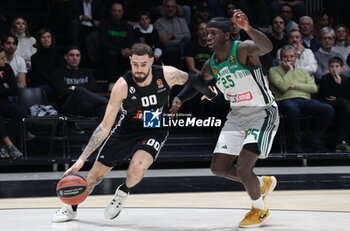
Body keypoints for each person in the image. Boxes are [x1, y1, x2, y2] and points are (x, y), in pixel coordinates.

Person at [51, 43, 217, 223]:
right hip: (126, 127)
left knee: (136, 168)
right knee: (93, 176)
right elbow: (105, 126)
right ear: (130, 60)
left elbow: (196, 80)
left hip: (154, 125)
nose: (139, 69)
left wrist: (209, 93)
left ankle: (123, 193)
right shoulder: (122, 85)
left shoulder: (167, 74)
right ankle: (71, 208)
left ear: (152, 61)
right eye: (135, 64)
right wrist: (82, 159)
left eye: (144, 64)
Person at [172, 11, 279, 228]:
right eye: (206, 33)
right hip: (237, 116)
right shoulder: (211, 64)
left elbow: (267, 47)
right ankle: (261, 183)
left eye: (213, 33)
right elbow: (198, 82)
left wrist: (248, 28)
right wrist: (179, 99)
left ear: (227, 35)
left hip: (261, 113)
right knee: (218, 168)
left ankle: (260, 210)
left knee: (243, 167)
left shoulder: (242, 49)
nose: (208, 37)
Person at [269, 45, 334, 153]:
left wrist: (295, 85)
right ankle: (296, 143)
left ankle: (314, 140)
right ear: (280, 58)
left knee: (328, 109)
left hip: (305, 100)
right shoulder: (273, 71)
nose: (289, 59)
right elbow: (283, 87)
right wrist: (290, 71)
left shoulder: (302, 71)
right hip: (285, 100)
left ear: (296, 58)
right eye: (285, 57)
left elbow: (313, 88)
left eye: (291, 56)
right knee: (292, 109)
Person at [52, 45, 108, 122]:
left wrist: (75, 88)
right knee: (78, 90)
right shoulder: (59, 72)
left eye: (77, 55)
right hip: (69, 106)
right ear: (65, 57)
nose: (75, 58)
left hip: (87, 105)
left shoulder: (86, 72)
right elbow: (61, 90)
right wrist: (78, 90)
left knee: (103, 108)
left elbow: (94, 87)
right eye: (71, 55)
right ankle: (111, 103)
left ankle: (100, 133)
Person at [318, 57, 350, 152]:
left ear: (341, 68)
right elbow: (328, 95)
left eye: (337, 66)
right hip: (326, 103)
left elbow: (346, 95)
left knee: (342, 113)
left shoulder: (345, 80)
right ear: (328, 68)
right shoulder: (325, 78)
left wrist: (339, 84)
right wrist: (338, 86)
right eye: (332, 66)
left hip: (341, 106)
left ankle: (341, 142)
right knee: (342, 102)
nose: (334, 69)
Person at [99, 1, 135, 85]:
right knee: (112, 54)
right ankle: (112, 82)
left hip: (124, 52)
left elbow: (131, 41)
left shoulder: (126, 25)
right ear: (110, 11)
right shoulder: (104, 24)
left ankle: (129, 83)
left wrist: (128, 49)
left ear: (122, 12)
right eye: (114, 11)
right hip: (109, 51)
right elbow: (104, 42)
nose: (116, 13)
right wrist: (120, 50)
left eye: (119, 11)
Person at [0, 47, 25, 159]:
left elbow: (14, 90)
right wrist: (4, 87)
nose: (4, 60)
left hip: (3, 101)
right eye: (1, 58)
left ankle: (5, 147)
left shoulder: (7, 68)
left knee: (18, 111)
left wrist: (3, 88)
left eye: (4, 57)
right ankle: (9, 145)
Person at [154, 0, 191, 67]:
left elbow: (187, 36)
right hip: (169, 49)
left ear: (176, 8)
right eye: (168, 7)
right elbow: (164, 41)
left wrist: (171, 37)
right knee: (172, 50)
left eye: (173, 7)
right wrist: (180, 38)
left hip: (184, 46)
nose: (170, 9)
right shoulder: (158, 22)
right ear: (163, 8)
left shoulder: (182, 21)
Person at [30, 28, 64, 99]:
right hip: (43, 84)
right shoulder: (34, 57)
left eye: (48, 37)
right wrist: (57, 86)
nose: (46, 39)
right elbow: (43, 75)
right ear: (39, 40)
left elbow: (61, 71)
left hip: (57, 83)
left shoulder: (58, 55)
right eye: (43, 37)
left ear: (52, 39)